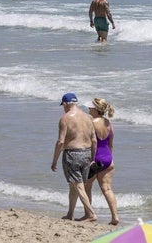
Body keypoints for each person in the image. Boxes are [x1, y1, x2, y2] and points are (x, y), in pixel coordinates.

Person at [51, 93, 97, 222]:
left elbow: (60, 142)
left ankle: (91, 213)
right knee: (74, 185)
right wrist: (92, 157)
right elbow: (94, 140)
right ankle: (70, 214)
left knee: (78, 185)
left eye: (63, 105)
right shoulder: (88, 117)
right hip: (87, 153)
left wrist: (54, 161)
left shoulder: (65, 119)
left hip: (72, 154)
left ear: (65, 104)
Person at [83, 98, 119, 226]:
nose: (88, 110)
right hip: (108, 159)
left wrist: (90, 160)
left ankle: (89, 214)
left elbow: (90, 142)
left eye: (90, 108)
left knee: (87, 187)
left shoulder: (91, 122)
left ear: (96, 109)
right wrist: (109, 160)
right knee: (107, 189)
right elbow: (110, 144)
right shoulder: (108, 123)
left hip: (95, 159)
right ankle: (115, 217)